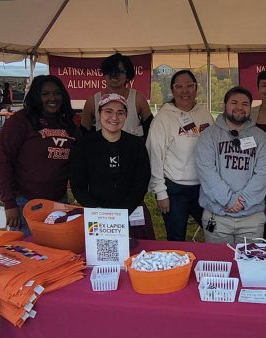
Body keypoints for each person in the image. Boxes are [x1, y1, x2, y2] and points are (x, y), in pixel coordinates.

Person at [0, 75, 76, 234]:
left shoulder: (69, 123)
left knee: (56, 250)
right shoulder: (20, 121)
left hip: (59, 201)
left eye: (57, 93)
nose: (52, 98)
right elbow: (2, 161)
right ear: (36, 96)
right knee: (31, 251)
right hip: (25, 202)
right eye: (45, 94)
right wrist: (9, 203)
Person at [196, 86, 266, 245]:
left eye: (245, 104)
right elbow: (207, 171)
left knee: (251, 266)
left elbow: (263, 173)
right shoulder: (208, 136)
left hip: (251, 219)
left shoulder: (261, 138)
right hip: (217, 217)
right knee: (220, 265)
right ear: (225, 105)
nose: (239, 107)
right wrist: (228, 200)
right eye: (234, 102)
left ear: (250, 108)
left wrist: (242, 201)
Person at [70, 93, 154, 239]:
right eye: (108, 111)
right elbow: (78, 185)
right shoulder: (85, 145)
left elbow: (141, 181)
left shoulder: (136, 144)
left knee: (138, 253)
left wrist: (124, 211)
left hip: (132, 210)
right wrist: (98, 211)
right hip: (97, 213)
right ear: (99, 114)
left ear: (126, 116)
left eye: (120, 113)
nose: (114, 117)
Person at [146, 70, 213, 241]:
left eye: (189, 86)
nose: (185, 91)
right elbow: (155, 156)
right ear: (172, 90)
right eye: (179, 87)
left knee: (215, 231)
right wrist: (161, 193)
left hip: (203, 188)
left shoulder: (204, 114)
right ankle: (179, 267)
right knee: (176, 238)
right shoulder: (163, 118)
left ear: (196, 88)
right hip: (174, 189)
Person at [80, 53, 153, 138]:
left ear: (128, 76)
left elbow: (151, 129)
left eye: (119, 71)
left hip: (132, 149)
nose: (113, 75)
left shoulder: (138, 99)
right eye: (110, 71)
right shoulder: (92, 101)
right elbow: (83, 135)